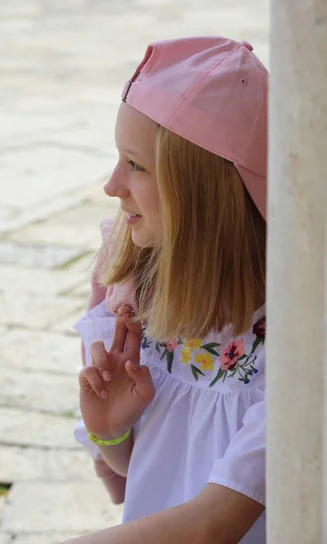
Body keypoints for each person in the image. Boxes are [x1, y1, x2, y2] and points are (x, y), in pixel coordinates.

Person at [69, 36, 268, 544]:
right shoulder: (132, 294)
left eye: (136, 165)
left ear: (202, 194)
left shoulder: (295, 335)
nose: (113, 186)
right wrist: (110, 430)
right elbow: (148, 472)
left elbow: (214, 523)